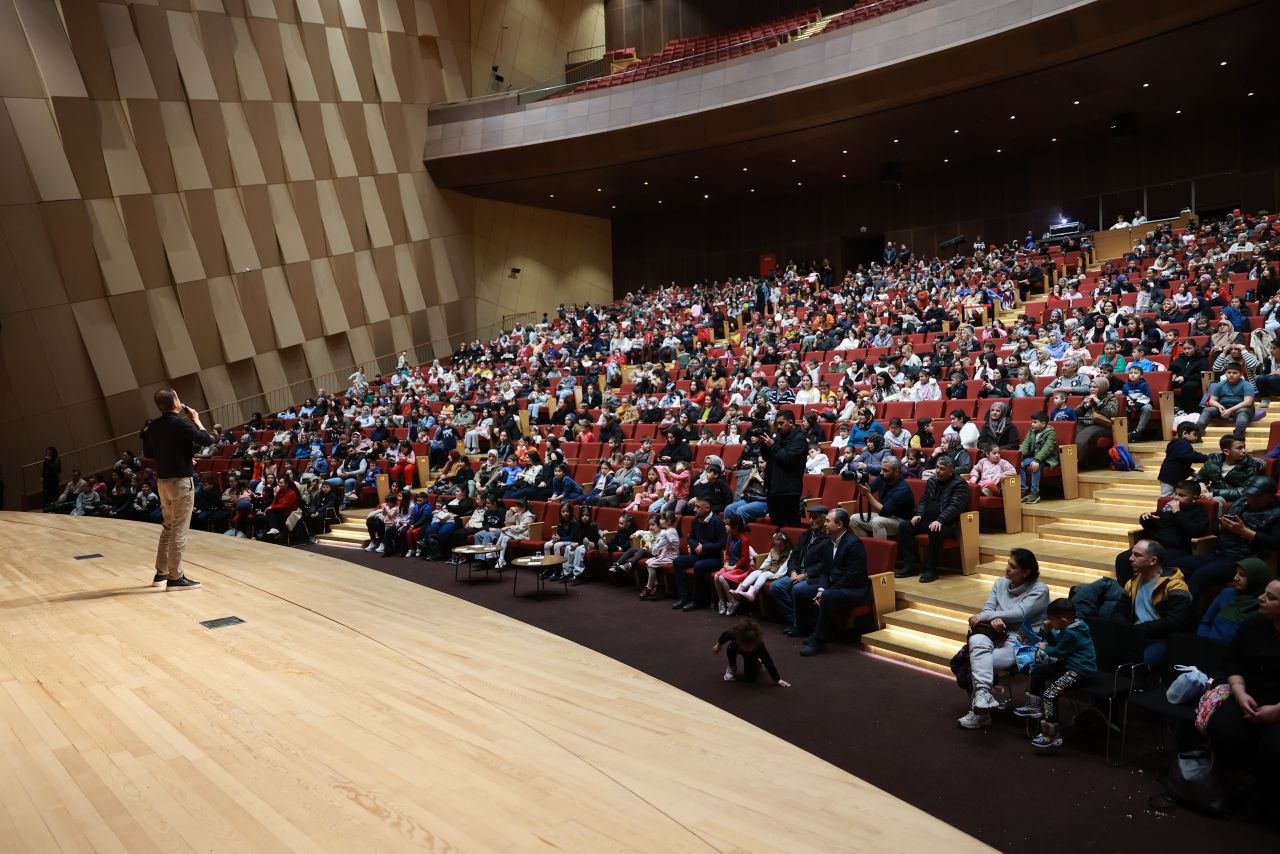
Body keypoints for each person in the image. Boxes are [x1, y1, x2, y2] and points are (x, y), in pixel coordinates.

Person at [1208, 578, 1280, 813]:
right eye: (1264, 593)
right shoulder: (1255, 623)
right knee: (1221, 727)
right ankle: (1230, 791)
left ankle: (1264, 801)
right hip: (1248, 695)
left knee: (1272, 747)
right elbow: (1232, 660)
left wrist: (1276, 711)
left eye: (1271, 597)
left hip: (1277, 707)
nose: (1260, 598)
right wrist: (1239, 694)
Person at [958, 548, 1050, 729]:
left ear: (1026, 572)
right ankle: (983, 698)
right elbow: (988, 607)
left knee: (981, 661)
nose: (1007, 568)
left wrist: (991, 616)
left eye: (1013, 567)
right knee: (976, 641)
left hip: (1021, 640)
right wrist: (994, 617)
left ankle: (981, 713)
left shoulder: (1040, 590)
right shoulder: (1000, 583)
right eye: (1008, 563)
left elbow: (1020, 613)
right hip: (994, 633)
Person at [140, 389, 213, 590]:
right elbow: (207, 440)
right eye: (178, 397)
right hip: (181, 482)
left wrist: (181, 454)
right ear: (174, 402)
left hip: (163, 483)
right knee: (179, 531)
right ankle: (176, 577)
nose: (180, 400)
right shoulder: (180, 423)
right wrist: (197, 420)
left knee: (168, 528)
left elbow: (148, 453)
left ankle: (160, 574)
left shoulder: (153, 426)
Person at [1175, 476, 1280, 600]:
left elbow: (1275, 543)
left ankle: (1183, 615)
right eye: (1249, 494)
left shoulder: (1276, 513)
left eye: (1256, 496)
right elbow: (1214, 527)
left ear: (1271, 496)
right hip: (1218, 552)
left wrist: (1245, 532)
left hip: (1243, 559)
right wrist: (1222, 526)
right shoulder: (1240, 503)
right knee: (1174, 567)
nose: (1251, 498)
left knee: (1200, 576)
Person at [1013, 598, 1097, 751]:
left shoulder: (1073, 633)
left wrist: (1044, 647)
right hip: (1068, 664)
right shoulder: (1071, 626)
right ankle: (1033, 706)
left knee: (1050, 695)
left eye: (1051, 619)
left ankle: (1051, 735)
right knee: (1038, 669)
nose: (1048, 621)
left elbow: (1058, 651)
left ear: (1063, 620)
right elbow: (1058, 644)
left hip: (1079, 670)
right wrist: (1048, 631)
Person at [798, 508, 869, 656]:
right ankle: (819, 630)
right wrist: (821, 590)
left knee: (828, 597)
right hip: (834, 586)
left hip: (855, 589)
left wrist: (827, 592)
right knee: (803, 591)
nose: (824, 524)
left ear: (839, 525)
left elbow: (852, 577)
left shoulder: (854, 544)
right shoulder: (830, 543)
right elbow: (824, 571)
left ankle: (819, 640)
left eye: (828, 521)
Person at [1114, 480, 1209, 584]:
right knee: (1122, 559)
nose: (1176, 498)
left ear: (1194, 498)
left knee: (1157, 563)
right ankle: (1127, 595)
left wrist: (1177, 512)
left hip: (1175, 548)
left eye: (1182, 495)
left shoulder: (1199, 513)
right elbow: (1155, 522)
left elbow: (1194, 531)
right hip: (1153, 544)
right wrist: (1146, 518)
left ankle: (1154, 596)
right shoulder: (1168, 507)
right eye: (1176, 494)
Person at [896, 456, 970, 584]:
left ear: (951, 471)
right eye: (936, 468)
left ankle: (932, 570)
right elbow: (924, 500)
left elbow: (955, 506)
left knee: (935, 529)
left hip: (949, 523)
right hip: (927, 520)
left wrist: (940, 519)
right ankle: (911, 566)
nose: (937, 471)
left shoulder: (959, 484)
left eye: (942, 469)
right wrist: (919, 514)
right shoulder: (932, 481)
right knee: (904, 526)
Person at [1124, 540, 1195, 667]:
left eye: (1137, 555)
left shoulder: (1175, 585)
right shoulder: (1132, 583)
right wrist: (1125, 629)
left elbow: (1175, 622)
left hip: (1162, 638)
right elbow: (1120, 609)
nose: (1130, 558)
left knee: (1140, 663)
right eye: (1131, 554)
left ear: (1153, 561)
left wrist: (1138, 630)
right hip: (1137, 634)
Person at [772, 505, 831, 635]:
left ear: (824, 519)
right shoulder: (805, 535)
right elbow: (794, 556)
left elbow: (824, 564)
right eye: (810, 517)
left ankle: (799, 625)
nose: (810, 521)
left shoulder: (829, 539)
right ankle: (798, 621)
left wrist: (804, 575)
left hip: (813, 577)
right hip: (796, 573)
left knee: (798, 589)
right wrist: (793, 571)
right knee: (776, 586)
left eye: (814, 518)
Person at [1199, 558, 1275, 644]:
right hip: (1209, 645)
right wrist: (1204, 642)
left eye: (1241, 575)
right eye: (1236, 573)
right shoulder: (1227, 593)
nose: (1235, 578)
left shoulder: (1264, 604)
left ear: (1255, 578)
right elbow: (1206, 622)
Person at [671, 498, 726, 611]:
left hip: (714, 558)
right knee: (678, 561)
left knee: (699, 565)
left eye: (698, 507)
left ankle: (697, 600)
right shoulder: (696, 520)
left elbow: (722, 543)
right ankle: (683, 597)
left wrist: (704, 547)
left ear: (707, 508)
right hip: (699, 555)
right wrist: (696, 546)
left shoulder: (717, 521)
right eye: (695, 506)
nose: (695, 509)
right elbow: (690, 537)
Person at [758, 408, 808, 527]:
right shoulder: (779, 437)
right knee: (776, 525)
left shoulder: (799, 439)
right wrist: (764, 443)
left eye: (781, 423)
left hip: (788, 490)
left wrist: (772, 445)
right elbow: (767, 457)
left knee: (792, 525)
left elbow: (787, 458)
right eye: (777, 423)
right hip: (773, 488)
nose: (778, 427)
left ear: (790, 422)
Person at [848, 455, 914, 541]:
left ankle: (880, 552)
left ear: (897, 472)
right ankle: (865, 548)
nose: (881, 473)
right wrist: (859, 481)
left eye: (885, 470)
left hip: (901, 521)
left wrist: (867, 494)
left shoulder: (903, 489)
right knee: (853, 519)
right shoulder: (882, 478)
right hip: (884, 516)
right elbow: (867, 490)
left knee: (877, 522)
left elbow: (884, 511)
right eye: (881, 469)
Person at [714, 619, 790, 687]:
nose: (748, 649)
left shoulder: (760, 646)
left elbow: (768, 662)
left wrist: (777, 679)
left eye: (750, 646)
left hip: (752, 654)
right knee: (731, 648)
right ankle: (732, 667)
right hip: (737, 647)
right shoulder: (735, 635)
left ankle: (758, 662)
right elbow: (725, 635)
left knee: (750, 679)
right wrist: (718, 645)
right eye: (746, 646)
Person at [1196, 363, 1256, 441]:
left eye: (1235, 373)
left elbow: (1248, 402)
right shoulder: (1220, 384)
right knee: (1207, 410)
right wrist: (1219, 406)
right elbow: (1211, 401)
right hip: (1224, 408)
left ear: (1241, 374)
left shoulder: (1247, 385)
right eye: (1228, 372)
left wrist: (1230, 410)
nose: (1231, 375)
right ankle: (1197, 433)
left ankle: (1238, 437)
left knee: (1243, 413)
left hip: (1241, 408)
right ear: (1225, 373)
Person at [731, 532, 793, 603]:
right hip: (770, 568)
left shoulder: (789, 552)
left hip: (777, 572)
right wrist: (761, 569)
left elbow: (785, 565)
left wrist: (777, 576)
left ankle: (752, 593)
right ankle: (739, 590)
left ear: (786, 544)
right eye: (776, 546)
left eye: (780, 546)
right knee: (755, 573)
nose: (778, 548)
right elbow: (768, 560)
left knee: (764, 574)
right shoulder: (773, 550)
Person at [714, 515, 755, 616]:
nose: (725, 527)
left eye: (727, 525)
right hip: (731, 566)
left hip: (742, 569)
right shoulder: (729, 537)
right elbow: (727, 552)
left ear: (735, 527)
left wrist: (733, 567)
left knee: (722, 577)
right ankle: (722, 601)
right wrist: (727, 562)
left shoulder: (744, 539)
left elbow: (744, 558)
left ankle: (732, 601)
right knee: (716, 576)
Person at [1073, 376, 1118, 467]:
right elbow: (1075, 414)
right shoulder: (1088, 397)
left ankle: (1072, 464)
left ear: (1102, 387)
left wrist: (1097, 401)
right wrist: (1086, 405)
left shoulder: (1111, 397)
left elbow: (1111, 413)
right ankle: (1062, 461)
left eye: (1094, 387)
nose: (1091, 389)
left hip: (1101, 425)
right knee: (1070, 435)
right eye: (1090, 387)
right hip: (1085, 423)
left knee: (1082, 437)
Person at [1018, 411, 1058, 505]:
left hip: (1047, 458)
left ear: (1043, 424)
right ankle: (1024, 490)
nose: (1032, 424)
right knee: (1020, 465)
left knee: (1035, 466)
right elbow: (1025, 445)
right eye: (1032, 422)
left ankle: (1035, 492)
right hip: (1034, 456)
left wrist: (1036, 460)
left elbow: (1047, 449)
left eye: (1035, 422)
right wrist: (1019, 457)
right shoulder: (1032, 431)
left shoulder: (1051, 433)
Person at [1157, 424, 1207, 497]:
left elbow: (1180, 461)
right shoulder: (1182, 443)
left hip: (1172, 476)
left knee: (1175, 497)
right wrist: (1207, 457)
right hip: (1169, 477)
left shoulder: (1177, 443)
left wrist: (1191, 471)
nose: (1196, 437)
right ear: (1185, 433)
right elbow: (1191, 456)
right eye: (1194, 434)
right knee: (1167, 498)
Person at [639, 512, 680, 600]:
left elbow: (660, 545)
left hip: (671, 556)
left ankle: (649, 587)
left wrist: (655, 551)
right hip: (665, 554)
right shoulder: (669, 531)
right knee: (648, 562)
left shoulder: (668, 533)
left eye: (661, 519)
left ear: (668, 521)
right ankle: (656, 585)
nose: (660, 521)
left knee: (651, 564)